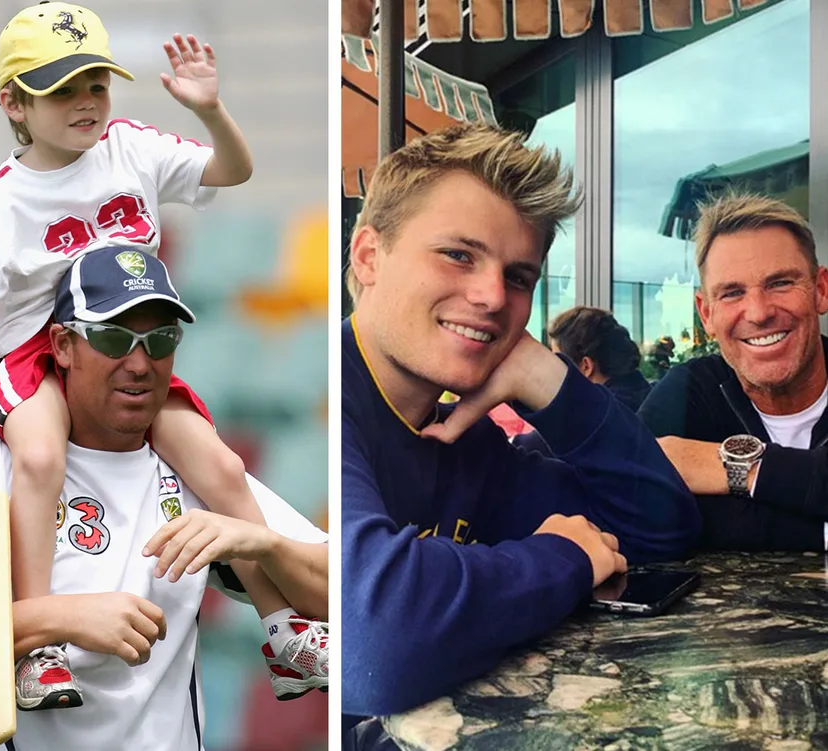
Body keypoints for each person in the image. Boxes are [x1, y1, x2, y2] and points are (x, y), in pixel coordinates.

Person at [0, 2, 324, 705]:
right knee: (42, 457)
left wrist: (210, 110)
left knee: (223, 463)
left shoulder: (132, 146)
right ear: (13, 103)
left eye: (97, 83)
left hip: (118, 343)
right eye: (62, 89)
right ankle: (40, 646)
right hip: (38, 356)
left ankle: (284, 630)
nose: (86, 101)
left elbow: (231, 171)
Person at [341, 123, 701, 734]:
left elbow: (658, 527)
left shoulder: (465, 440)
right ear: (369, 256)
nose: (491, 297)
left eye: (519, 277)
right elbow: (375, 644)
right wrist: (564, 558)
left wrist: (551, 382)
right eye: (459, 254)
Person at [0, 247, 329, 750]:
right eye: (114, 338)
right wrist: (52, 619)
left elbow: (345, 593)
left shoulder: (196, 469)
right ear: (63, 345)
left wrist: (267, 545)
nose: (139, 363)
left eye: (161, 340)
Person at [638, 193, 828, 551]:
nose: (758, 313)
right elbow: (629, 507)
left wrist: (734, 468)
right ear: (706, 313)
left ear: (820, 289)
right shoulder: (688, 391)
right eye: (732, 293)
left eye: (780, 283)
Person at [547, 306, 651, 412]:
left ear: (586, 366)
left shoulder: (596, 417)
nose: (553, 369)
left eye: (559, 361)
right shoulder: (647, 398)